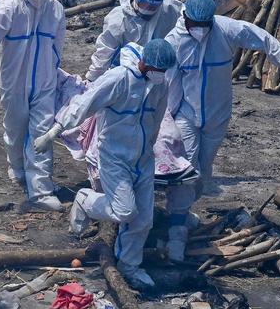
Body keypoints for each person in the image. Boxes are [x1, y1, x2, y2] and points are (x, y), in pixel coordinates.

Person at [164, 0, 280, 262]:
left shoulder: (226, 29)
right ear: (185, 18)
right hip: (186, 113)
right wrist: (166, 119)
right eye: (194, 23)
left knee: (203, 173)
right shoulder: (175, 42)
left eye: (203, 24)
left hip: (217, 115)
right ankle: (176, 230)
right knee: (186, 169)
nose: (199, 30)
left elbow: (264, 39)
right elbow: (168, 85)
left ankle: (182, 213)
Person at [35, 39, 177, 290]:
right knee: (124, 212)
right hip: (115, 157)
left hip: (143, 158)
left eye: (164, 71)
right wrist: (54, 131)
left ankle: (129, 265)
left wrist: (152, 150)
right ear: (145, 62)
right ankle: (85, 200)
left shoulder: (159, 84)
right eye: (158, 69)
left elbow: (157, 118)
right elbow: (85, 103)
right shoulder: (119, 79)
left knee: (144, 219)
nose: (161, 74)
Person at [0, 0, 67, 211]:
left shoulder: (55, 9)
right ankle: (16, 167)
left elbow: (58, 46)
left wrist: (55, 72)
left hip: (44, 80)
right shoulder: (8, 7)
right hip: (15, 80)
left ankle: (41, 190)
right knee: (16, 127)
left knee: (42, 132)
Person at [85, 0, 182, 82]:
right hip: (127, 72)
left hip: (158, 71)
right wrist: (92, 78)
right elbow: (105, 51)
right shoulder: (118, 19)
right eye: (146, 3)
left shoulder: (169, 8)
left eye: (155, 5)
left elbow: (189, 18)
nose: (150, 8)